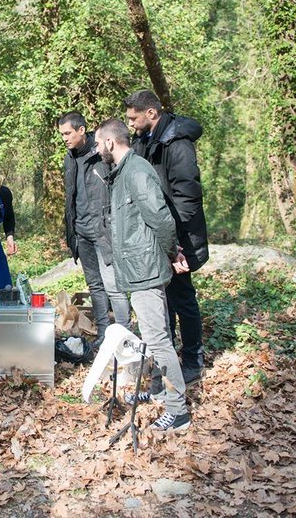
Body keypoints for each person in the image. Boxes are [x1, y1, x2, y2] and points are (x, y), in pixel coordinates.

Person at [95, 118, 190, 431]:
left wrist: (172, 251)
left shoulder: (136, 170)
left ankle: (178, 412)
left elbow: (161, 219)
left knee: (157, 339)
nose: (97, 149)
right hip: (138, 269)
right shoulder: (123, 173)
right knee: (156, 334)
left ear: (110, 142)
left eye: (98, 143)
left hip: (146, 268)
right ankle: (162, 391)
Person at [125, 89, 209, 383]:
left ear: (152, 113)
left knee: (183, 299)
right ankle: (167, 358)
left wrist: (172, 241)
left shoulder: (177, 143)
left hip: (179, 235)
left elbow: (188, 197)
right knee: (165, 301)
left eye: (134, 118)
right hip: (159, 235)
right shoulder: (143, 139)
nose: (131, 124)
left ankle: (193, 361)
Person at [58, 111, 131, 345]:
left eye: (68, 133)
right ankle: (103, 334)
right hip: (81, 232)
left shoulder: (101, 153)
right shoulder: (69, 158)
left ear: (81, 130)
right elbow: (71, 196)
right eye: (61, 134)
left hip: (104, 232)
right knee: (95, 285)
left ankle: (124, 336)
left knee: (114, 286)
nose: (64, 138)